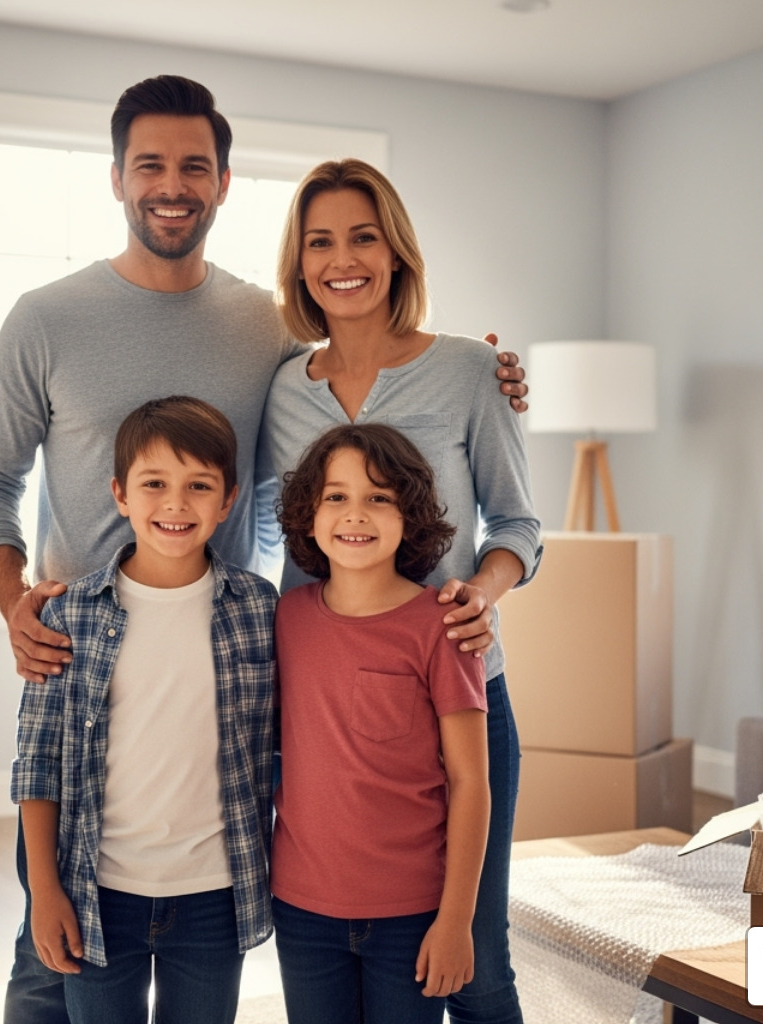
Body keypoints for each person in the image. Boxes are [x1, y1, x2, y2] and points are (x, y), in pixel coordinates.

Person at [0, 76, 525, 1024]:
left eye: (194, 167)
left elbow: (383, 360)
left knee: (448, 946)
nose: (171, 186)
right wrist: (15, 597)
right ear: (116, 179)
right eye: (150, 165)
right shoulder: (46, 319)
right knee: (48, 956)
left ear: (223, 184)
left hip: (308, 662)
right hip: (89, 665)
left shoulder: (269, 325)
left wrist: (491, 372)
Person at [257, 157, 541, 1024]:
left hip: (456, 687)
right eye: (320, 241)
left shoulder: (468, 370)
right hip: (330, 712)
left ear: (397, 252)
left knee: (475, 963)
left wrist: (482, 595)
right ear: (299, 263)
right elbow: (275, 533)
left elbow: (519, 527)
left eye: (363, 236)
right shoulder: (281, 390)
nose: (342, 258)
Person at [14, 396, 277, 1024]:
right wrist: (44, 892)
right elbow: (37, 764)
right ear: (120, 494)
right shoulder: (69, 614)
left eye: (199, 486)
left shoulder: (260, 611)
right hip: (97, 892)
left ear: (229, 500)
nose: (176, 504)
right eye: (154, 483)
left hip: (215, 893)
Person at [270, 423, 491, 1023]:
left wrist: (456, 920)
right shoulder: (285, 617)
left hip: (413, 913)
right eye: (335, 496)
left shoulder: (442, 627)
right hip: (301, 908)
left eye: (379, 497)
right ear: (308, 515)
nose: (355, 514)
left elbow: (470, 783)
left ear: (409, 515)